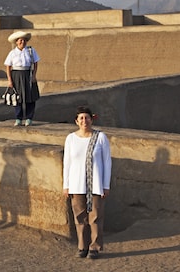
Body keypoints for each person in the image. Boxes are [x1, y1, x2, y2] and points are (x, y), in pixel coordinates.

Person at [63, 106, 112, 259]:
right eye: (81, 118)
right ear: (76, 121)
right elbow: (67, 163)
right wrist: (66, 185)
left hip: (95, 184)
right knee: (79, 217)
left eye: (87, 118)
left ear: (92, 119)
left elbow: (107, 162)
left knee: (95, 216)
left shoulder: (100, 137)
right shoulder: (71, 138)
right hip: (77, 185)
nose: (84, 121)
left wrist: (105, 185)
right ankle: (82, 246)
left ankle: (95, 247)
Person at [4, 30, 40, 126]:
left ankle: (29, 118)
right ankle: (18, 118)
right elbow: (8, 66)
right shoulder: (12, 53)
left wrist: (34, 76)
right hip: (16, 75)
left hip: (28, 74)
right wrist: (10, 80)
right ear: (16, 42)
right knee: (17, 98)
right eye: (20, 40)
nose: (22, 42)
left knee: (30, 97)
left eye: (24, 40)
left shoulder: (31, 51)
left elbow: (36, 63)